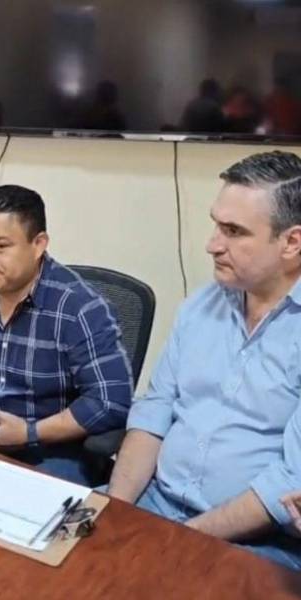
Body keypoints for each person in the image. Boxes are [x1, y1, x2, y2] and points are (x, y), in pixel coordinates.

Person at [107, 150, 301, 571]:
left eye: (234, 231)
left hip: (253, 541)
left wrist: (177, 539)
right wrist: (114, 508)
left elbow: (290, 481)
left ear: (292, 242)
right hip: (151, 502)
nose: (212, 244)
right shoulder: (200, 306)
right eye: (216, 224)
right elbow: (155, 411)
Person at [0, 185, 132, 485]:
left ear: (39, 244)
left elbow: (110, 402)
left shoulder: (80, 307)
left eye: (0, 246)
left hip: (52, 451)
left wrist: (29, 433)